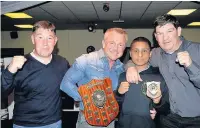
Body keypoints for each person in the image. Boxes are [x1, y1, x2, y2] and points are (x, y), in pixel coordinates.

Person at [126, 14, 200, 128]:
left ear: (178, 31)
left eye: (169, 31)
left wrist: (191, 65)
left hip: (196, 120)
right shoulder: (155, 54)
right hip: (168, 119)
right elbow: (138, 60)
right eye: (160, 33)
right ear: (155, 36)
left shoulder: (197, 50)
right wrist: (130, 66)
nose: (165, 38)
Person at [1, 21, 70, 128]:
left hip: (54, 123)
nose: (45, 43)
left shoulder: (62, 63)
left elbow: (73, 85)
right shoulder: (20, 64)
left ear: (55, 40)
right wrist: (10, 70)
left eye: (50, 38)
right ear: (33, 39)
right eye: (40, 37)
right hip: (24, 124)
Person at [60, 28, 128, 128]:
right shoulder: (86, 60)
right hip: (88, 121)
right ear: (104, 43)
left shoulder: (121, 68)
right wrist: (87, 100)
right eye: (112, 43)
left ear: (124, 48)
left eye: (120, 45)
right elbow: (65, 84)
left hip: (110, 121)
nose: (116, 48)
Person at [115, 37, 169, 128]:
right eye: (136, 51)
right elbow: (115, 106)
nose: (140, 55)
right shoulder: (122, 76)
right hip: (123, 125)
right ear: (130, 53)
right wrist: (119, 94)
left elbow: (167, 109)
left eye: (144, 51)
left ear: (150, 53)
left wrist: (157, 103)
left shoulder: (159, 77)